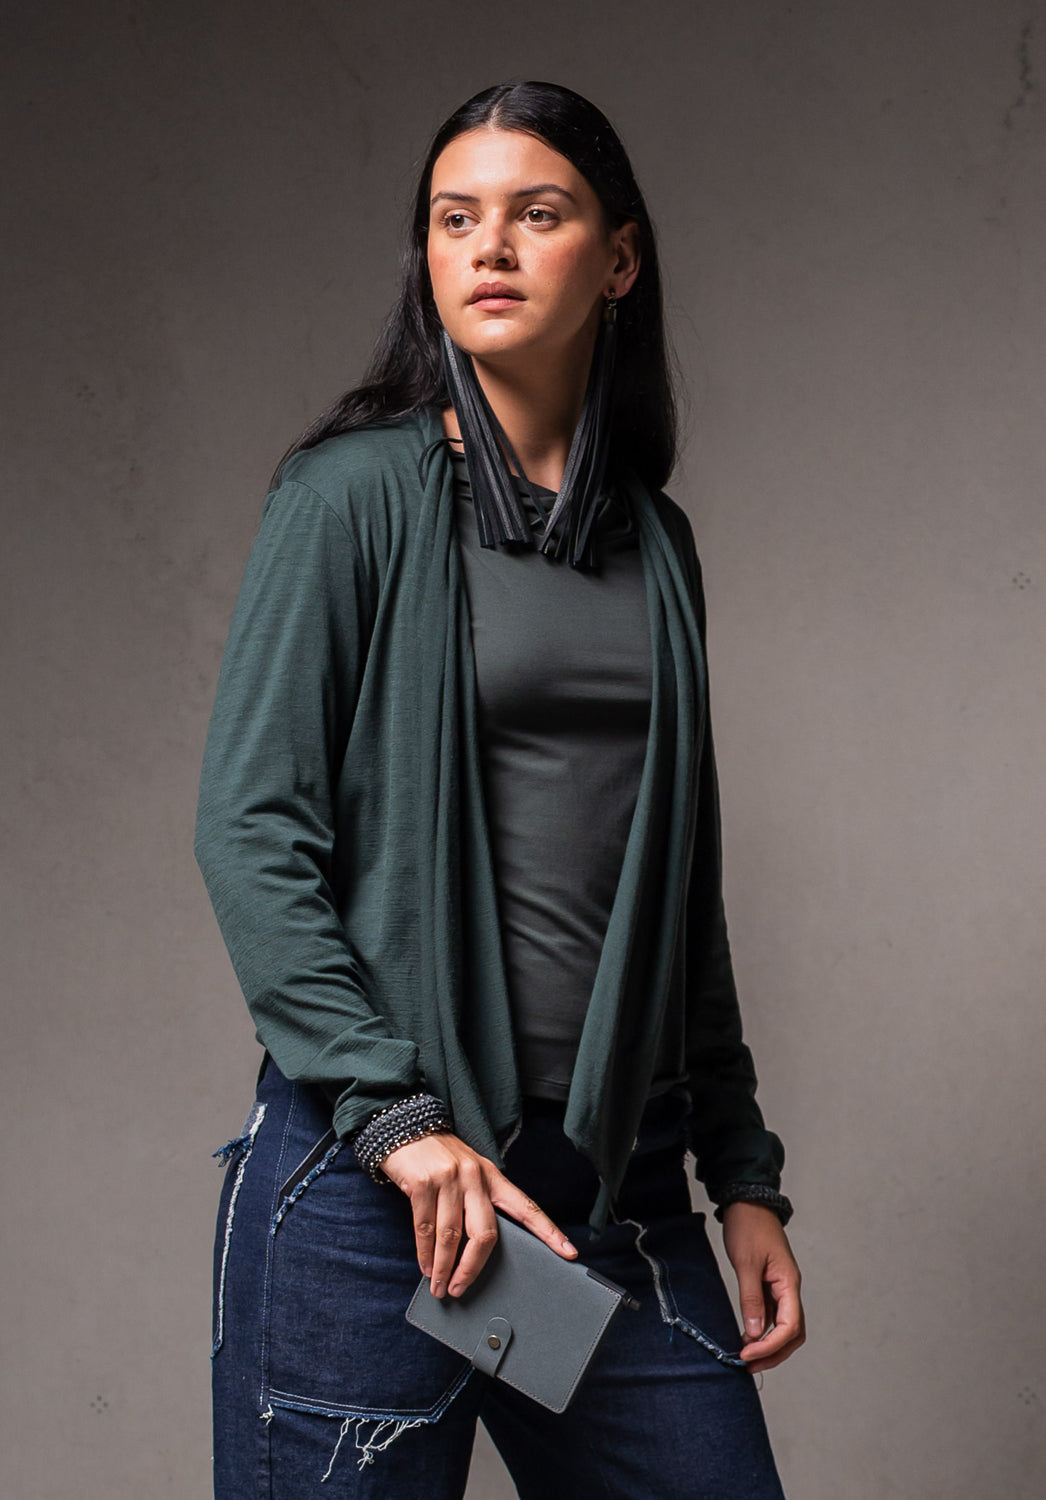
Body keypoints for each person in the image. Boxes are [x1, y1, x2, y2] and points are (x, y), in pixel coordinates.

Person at [195, 79, 805, 1499]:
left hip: (605, 1189)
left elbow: (677, 896)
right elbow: (251, 830)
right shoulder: (349, 498)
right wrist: (398, 1127)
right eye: (454, 219)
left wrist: (741, 1171)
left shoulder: (657, 546)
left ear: (619, 257)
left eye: (537, 213)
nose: (490, 247)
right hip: (379, 1192)